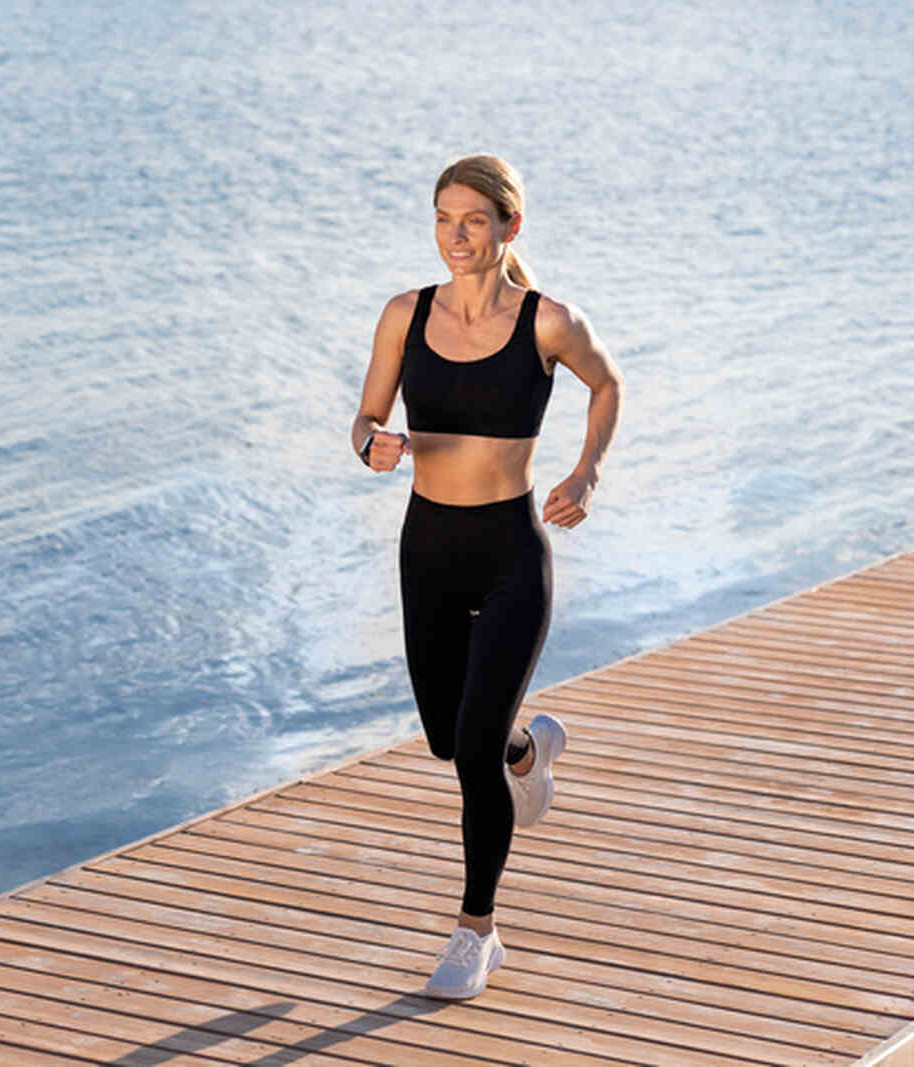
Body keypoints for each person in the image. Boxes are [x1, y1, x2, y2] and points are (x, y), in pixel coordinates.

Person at [351, 155, 623, 999]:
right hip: (426, 548)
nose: (455, 236)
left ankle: (477, 931)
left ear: (510, 226)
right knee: (449, 735)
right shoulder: (404, 314)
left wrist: (586, 473)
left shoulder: (548, 322)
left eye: (473, 219)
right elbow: (362, 419)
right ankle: (526, 747)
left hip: (511, 549)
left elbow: (607, 383)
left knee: (469, 748)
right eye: (442, 218)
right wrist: (373, 445)